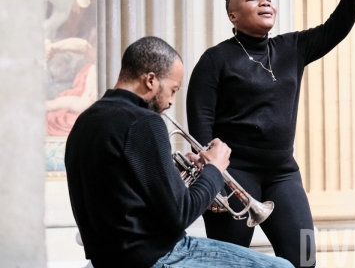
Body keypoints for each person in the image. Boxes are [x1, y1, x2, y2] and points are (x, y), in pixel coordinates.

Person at [187, 0, 355, 268]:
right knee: (227, 263)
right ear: (233, 15)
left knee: (306, 257)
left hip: (282, 172)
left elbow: (337, 27)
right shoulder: (216, 59)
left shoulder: (292, 47)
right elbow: (200, 119)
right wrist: (214, 178)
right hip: (234, 174)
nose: (264, 1)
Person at [65, 36, 292, 268]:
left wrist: (171, 171)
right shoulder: (144, 122)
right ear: (151, 80)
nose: (171, 101)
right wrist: (214, 170)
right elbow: (180, 215)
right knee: (283, 267)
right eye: (172, 90)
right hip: (155, 256)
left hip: (107, 259)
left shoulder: (86, 121)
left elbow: (120, 192)